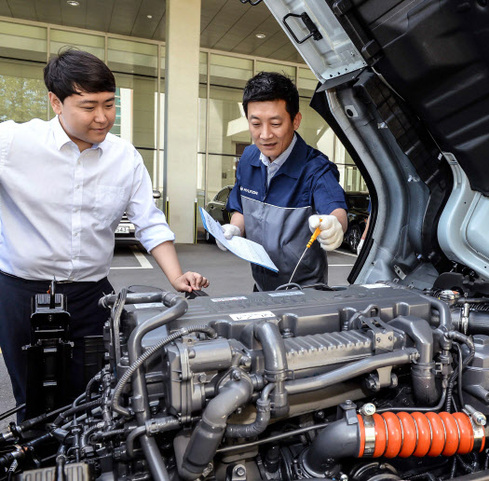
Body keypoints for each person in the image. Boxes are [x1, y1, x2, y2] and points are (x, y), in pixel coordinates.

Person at [0, 48, 209, 415]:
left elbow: (150, 220)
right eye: (89, 106)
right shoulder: (14, 143)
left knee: (96, 394)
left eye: (110, 105)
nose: (102, 117)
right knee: (32, 397)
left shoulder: (124, 157)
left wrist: (176, 276)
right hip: (21, 292)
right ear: (55, 102)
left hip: (91, 297)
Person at [220, 72, 348, 291]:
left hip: (305, 292)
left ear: (295, 120)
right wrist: (234, 228)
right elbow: (240, 209)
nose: (265, 134)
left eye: (276, 123)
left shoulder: (315, 168)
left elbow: (336, 211)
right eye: (256, 124)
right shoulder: (248, 159)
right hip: (260, 287)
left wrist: (335, 225)